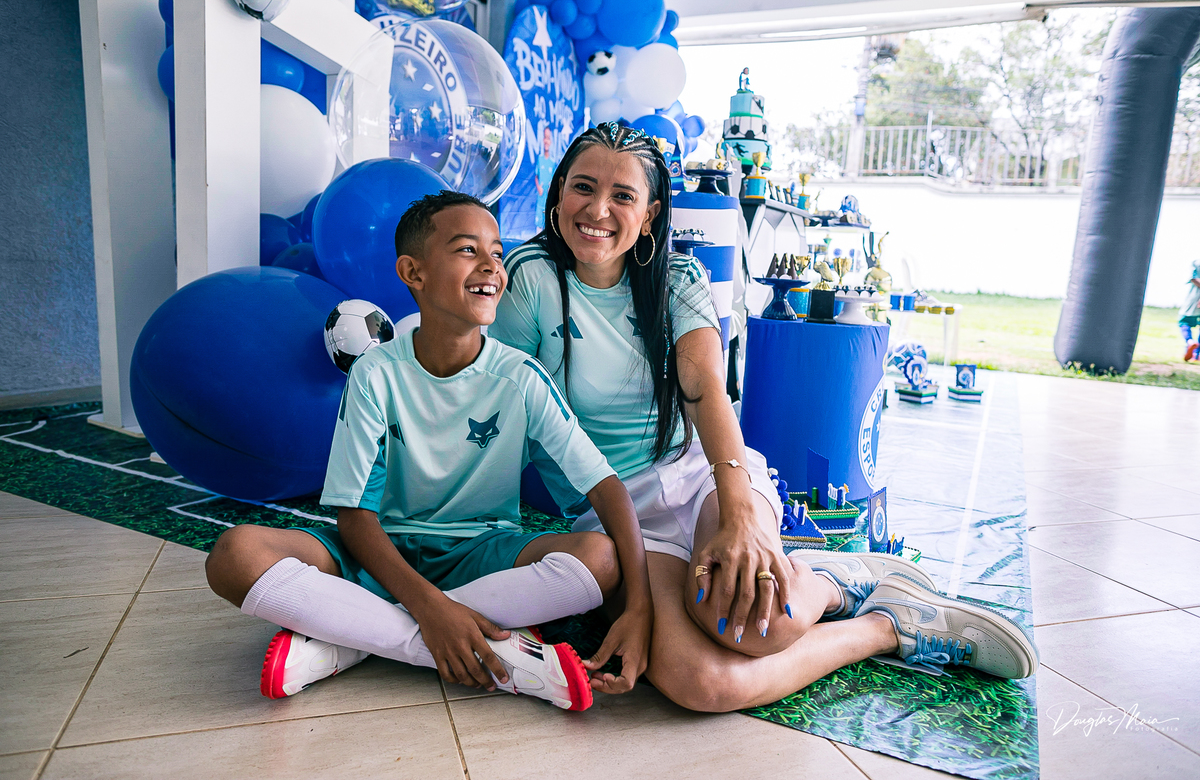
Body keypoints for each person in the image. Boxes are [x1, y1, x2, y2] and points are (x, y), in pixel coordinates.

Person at [489, 122, 1038, 712]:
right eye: (583, 187)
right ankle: (888, 625)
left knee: (762, 626)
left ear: (649, 215)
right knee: (707, 683)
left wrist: (740, 515)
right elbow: (506, 409)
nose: (597, 209)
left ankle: (831, 582)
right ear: (559, 194)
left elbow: (705, 392)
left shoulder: (679, 278)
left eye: (622, 195)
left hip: (700, 475)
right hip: (610, 512)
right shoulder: (529, 278)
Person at [205, 191, 653, 711]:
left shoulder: (520, 377)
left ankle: (351, 640)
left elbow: (605, 487)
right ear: (413, 272)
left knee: (600, 559)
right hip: (379, 551)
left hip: (483, 553)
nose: (491, 266)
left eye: (497, 252)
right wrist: (431, 609)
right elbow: (355, 518)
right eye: (467, 249)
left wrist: (639, 606)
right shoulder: (375, 373)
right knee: (234, 555)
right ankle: (498, 655)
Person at [1179, 259, 1200, 361]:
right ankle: (1197, 354)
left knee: (1184, 321)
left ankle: (1190, 341)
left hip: (1194, 298)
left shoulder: (1197, 262)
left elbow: (1193, 278)